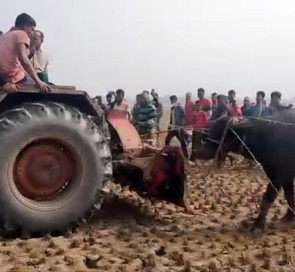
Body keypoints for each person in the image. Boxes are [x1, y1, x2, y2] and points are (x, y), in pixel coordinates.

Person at [0, 13, 50, 92]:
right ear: (25, 27)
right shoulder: (21, 33)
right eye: (32, 29)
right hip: (12, 76)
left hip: (3, 77)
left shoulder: (5, 36)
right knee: (40, 88)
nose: (32, 33)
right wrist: (38, 81)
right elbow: (23, 58)